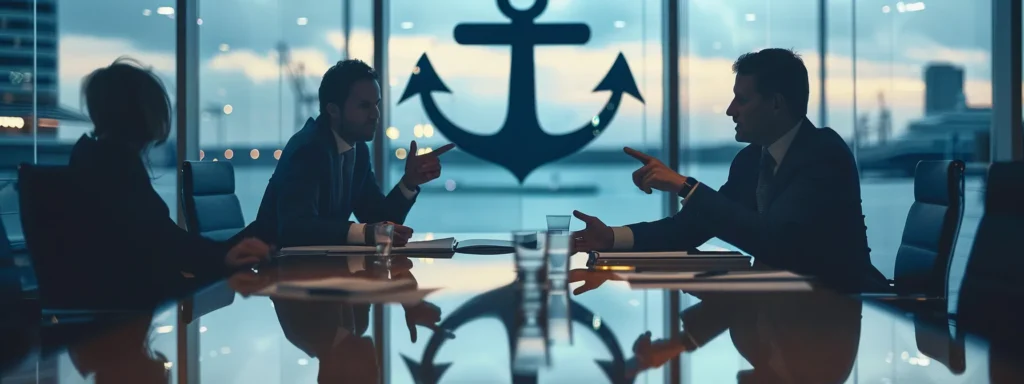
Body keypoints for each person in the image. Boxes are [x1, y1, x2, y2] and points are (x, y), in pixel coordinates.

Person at [572, 48, 887, 292]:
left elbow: (777, 242)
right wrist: (611, 237)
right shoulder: (751, 160)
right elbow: (688, 229)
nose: (730, 110)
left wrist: (686, 187)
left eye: (742, 99)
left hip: (841, 312)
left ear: (776, 103)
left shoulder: (823, 154)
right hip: (776, 313)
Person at [69, 58, 270, 291]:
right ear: (141, 115)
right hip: (135, 301)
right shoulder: (117, 168)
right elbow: (166, 243)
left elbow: (164, 239)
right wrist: (225, 257)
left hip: (113, 295)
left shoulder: (90, 157)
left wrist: (225, 253)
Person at [250, 59, 453, 247]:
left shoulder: (357, 150)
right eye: (364, 106)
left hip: (318, 271)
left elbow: (378, 219)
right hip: (270, 270)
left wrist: (409, 182)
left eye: (377, 104)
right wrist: (366, 233)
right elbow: (295, 229)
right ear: (333, 110)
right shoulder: (308, 148)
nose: (375, 115)